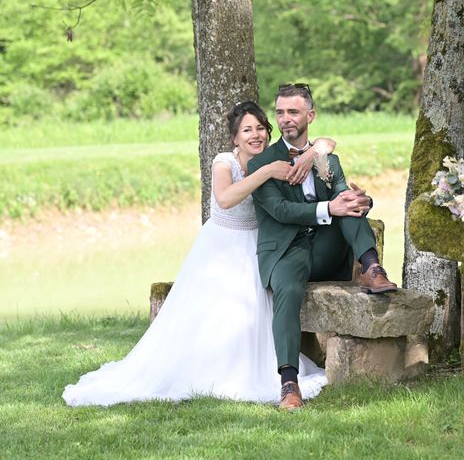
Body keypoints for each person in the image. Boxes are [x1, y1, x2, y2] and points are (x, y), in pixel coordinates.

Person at [62, 101, 335, 407]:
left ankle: (272, 370)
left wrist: (313, 152)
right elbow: (226, 198)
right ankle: (213, 371)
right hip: (224, 245)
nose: (255, 135)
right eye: (247, 130)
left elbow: (327, 144)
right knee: (217, 313)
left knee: (256, 311)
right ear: (235, 138)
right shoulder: (225, 163)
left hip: (260, 244)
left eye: (260, 128)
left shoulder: (276, 157)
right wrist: (268, 172)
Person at [248, 83, 397, 412]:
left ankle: (372, 269)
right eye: (281, 112)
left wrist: (362, 201)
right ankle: (289, 383)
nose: (286, 119)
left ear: (310, 116)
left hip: (326, 250)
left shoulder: (327, 159)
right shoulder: (263, 163)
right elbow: (281, 211)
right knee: (287, 289)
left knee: (348, 203)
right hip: (286, 250)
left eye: (294, 112)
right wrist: (332, 208)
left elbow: (345, 198)